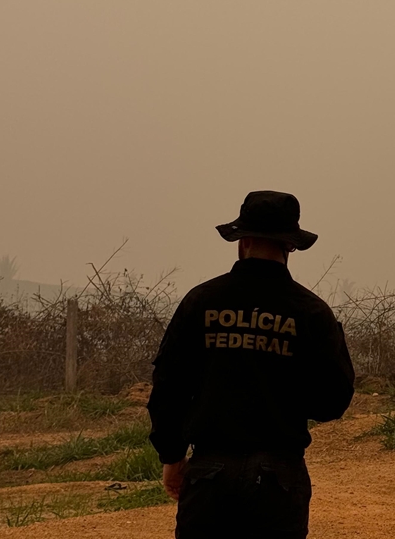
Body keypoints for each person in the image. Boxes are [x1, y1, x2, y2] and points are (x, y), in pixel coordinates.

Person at [147, 190, 355, 539]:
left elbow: (168, 386)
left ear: (241, 240)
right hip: (279, 478)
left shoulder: (201, 302)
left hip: (209, 473)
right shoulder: (311, 312)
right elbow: (333, 401)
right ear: (290, 247)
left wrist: (172, 457)